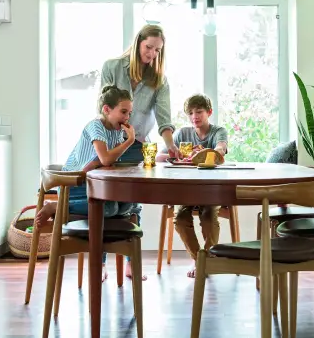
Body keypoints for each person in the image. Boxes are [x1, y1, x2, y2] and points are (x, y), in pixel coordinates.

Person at [35, 85, 143, 282]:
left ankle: (130, 261)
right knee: (108, 209)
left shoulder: (116, 131)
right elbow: (106, 158)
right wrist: (129, 141)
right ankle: (57, 206)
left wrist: (105, 158)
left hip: (93, 184)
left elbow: (104, 161)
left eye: (129, 112)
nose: (127, 117)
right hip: (73, 185)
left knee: (132, 205)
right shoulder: (96, 126)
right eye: (123, 112)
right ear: (107, 109)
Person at [166, 94, 228, 278]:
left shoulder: (218, 131)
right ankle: (200, 261)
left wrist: (203, 153)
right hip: (187, 190)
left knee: (208, 217)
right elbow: (162, 156)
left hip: (211, 190)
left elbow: (220, 149)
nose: (195, 116)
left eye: (199, 111)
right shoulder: (182, 133)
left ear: (209, 112)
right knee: (180, 218)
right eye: (191, 113)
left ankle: (208, 260)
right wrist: (175, 155)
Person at [100, 24, 179, 163]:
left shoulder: (160, 81)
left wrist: (171, 146)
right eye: (148, 47)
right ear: (138, 43)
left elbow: (164, 120)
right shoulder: (111, 67)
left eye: (157, 50)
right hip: (109, 142)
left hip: (137, 146)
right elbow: (104, 107)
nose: (152, 53)